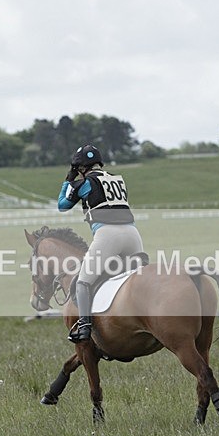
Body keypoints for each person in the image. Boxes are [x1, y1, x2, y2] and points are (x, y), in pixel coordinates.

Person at [58, 144, 144, 342]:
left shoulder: (85, 183)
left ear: (81, 167)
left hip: (108, 235)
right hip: (132, 233)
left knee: (83, 282)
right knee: (137, 280)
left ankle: (84, 327)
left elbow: (62, 205)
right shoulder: (118, 179)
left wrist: (69, 179)